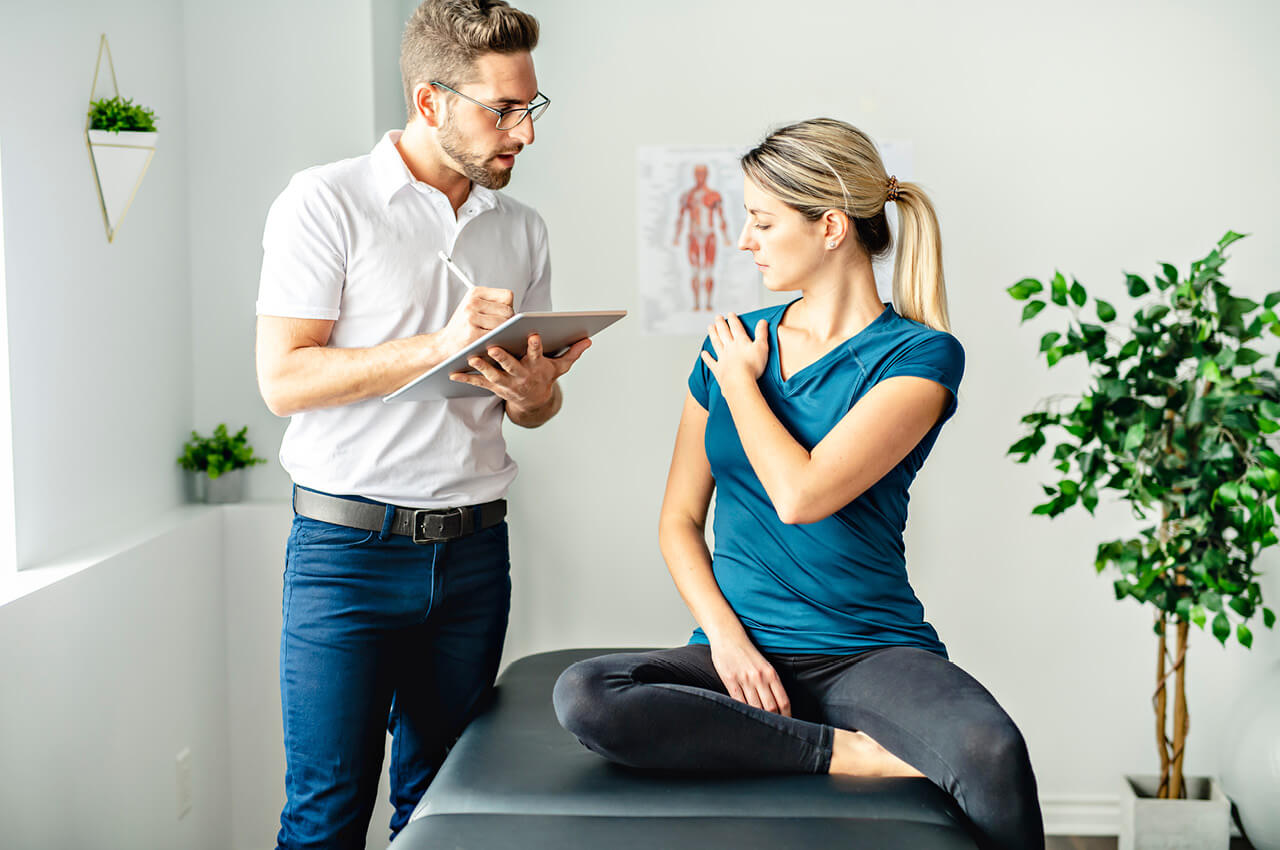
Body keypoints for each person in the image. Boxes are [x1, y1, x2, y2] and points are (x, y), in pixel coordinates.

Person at [553, 118, 1044, 850]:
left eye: (761, 221)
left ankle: (827, 728)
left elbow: (803, 494)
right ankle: (839, 749)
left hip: (867, 652)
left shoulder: (919, 356)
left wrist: (744, 387)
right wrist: (726, 641)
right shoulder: (730, 343)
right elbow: (679, 521)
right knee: (588, 694)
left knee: (990, 752)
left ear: (831, 228)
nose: (744, 241)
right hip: (740, 648)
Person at [254, 1, 588, 847]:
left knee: (447, 812)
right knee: (325, 815)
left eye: (531, 107)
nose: (525, 133)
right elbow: (283, 380)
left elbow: (536, 412)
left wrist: (534, 389)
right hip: (346, 558)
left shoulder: (522, 227)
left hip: (475, 556)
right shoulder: (325, 201)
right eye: (503, 110)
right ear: (430, 101)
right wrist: (438, 344)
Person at [672, 163, 731, 311]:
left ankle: (709, 303)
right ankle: (696, 303)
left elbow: (721, 217)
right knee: (695, 271)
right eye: (698, 173)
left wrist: (725, 237)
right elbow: (680, 217)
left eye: (703, 173)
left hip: (710, 235)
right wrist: (677, 236)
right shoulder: (687, 196)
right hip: (693, 236)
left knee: (709, 270)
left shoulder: (714, 195)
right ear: (694, 175)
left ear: (707, 175)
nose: (700, 177)